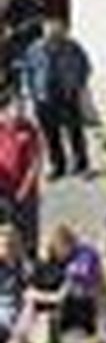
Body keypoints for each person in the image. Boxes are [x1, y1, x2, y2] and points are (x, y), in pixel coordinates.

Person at [21, 15, 92, 179]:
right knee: (50, 134)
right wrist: (29, 92)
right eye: (49, 32)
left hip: (67, 94)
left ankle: (82, 165)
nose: (53, 35)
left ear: (62, 32)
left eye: (57, 32)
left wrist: (77, 85)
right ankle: (58, 166)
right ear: (43, 33)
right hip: (44, 96)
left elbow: (85, 66)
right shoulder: (34, 49)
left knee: (75, 131)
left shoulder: (72, 47)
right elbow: (27, 70)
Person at [0, 95, 43, 254]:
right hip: (4, 191)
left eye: (22, 109)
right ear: (5, 111)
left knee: (29, 227)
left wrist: (24, 189)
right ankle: (13, 261)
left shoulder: (29, 129)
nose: (19, 113)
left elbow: (35, 162)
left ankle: (31, 258)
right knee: (8, 229)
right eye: (15, 109)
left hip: (26, 191)